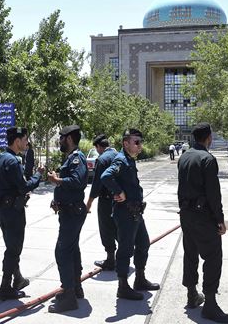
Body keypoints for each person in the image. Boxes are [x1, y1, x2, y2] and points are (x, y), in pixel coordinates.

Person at [177, 123, 228, 323]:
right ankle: (209, 303)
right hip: (202, 216)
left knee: (190, 254)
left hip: (186, 214)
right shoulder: (207, 159)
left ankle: (192, 294)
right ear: (208, 137)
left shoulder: (184, 156)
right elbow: (213, 194)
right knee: (212, 257)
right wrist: (220, 219)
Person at [101, 128, 160, 301]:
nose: (140, 145)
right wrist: (119, 191)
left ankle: (139, 279)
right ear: (125, 143)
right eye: (136, 142)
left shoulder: (129, 160)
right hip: (125, 213)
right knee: (126, 249)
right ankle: (122, 286)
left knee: (143, 244)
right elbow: (106, 176)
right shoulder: (121, 160)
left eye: (140, 142)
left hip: (135, 212)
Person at [0, 127, 44, 300]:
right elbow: (24, 186)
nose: (27, 142)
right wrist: (38, 175)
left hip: (2, 208)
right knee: (13, 249)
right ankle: (5, 286)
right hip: (13, 210)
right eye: (25, 139)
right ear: (17, 141)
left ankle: (18, 279)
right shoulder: (13, 161)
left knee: (11, 246)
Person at [47, 125, 88, 313]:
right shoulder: (71, 158)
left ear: (69, 139)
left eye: (61, 138)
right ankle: (75, 288)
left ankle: (69, 296)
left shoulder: (77, 158)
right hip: (68, 211)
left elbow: (78, 182)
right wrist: (58, 200)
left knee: (62, 252)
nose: (59, 141)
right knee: (72, 250)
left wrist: (57, 181)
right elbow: (69, 185)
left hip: (73, 213)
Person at [86, 134, 118, 271]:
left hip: (106, 200)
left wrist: (89, 203)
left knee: (106, 228)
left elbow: (97, 184)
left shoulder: (103, 159)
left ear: (99, 147)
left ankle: (111, 259)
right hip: (120, 199)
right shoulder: (118, 155)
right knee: (119, 228)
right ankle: (124, 257)